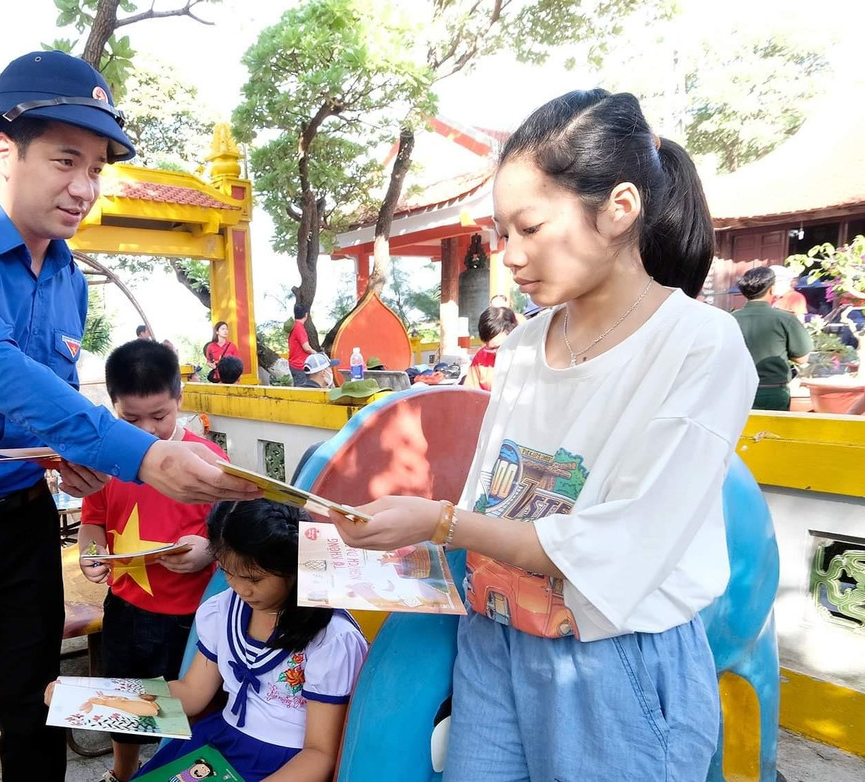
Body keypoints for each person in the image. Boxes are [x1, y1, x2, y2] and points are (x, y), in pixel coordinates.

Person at [330, 90, 756, 781]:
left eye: (529, 228)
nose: (510, 256)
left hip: (614, 662)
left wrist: (440, 522)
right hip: (495, 641)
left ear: (620, 208)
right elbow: (495, 502)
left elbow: (619, 547)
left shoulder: (700, 348)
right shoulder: (526, 344)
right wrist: (416, 535)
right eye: (501, 234)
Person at [0, 50, 257, 782]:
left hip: (18, 522)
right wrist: (140, 454)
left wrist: (74, 456)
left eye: (97, 168)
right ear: (4, 152)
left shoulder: (68, 273)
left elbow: (50, 390)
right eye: (66, 161)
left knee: (39, 704)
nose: (84, 188)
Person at [75, 340, 225, 782]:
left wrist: (208, 550)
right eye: (130, 419)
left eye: (160, 416)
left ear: (180, 398)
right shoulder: (107, 463)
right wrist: (90, 555)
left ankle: (180, 772)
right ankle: (123, 773)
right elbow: (92, 524)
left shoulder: (208, 462)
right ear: (113, 406)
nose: (148, 430)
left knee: (187, 709)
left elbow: (230, 535)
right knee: (127, 703)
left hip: (192, 617)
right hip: (125, 609)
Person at [135, 499, 367, 782]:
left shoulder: (331, 639)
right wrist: (118, 699)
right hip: (219, 742)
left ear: (294, 569)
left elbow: (320, 753)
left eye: (253, 579)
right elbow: (193, 693)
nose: (238, 587)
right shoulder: (223, 610)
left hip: (287, 765)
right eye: (227, 572)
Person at [732, 266, 812, 411]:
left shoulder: (729, 319)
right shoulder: (785, 319)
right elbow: (802, 358)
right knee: (771, 433)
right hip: (773, 392)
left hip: (736, 391)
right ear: (771, 289)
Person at [463, 306, 519, 391]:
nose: (494, 352)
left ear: (514, 334)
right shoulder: (481, 356)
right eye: (489, 348)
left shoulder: (529, 356)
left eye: (498, 347)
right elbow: (470, 393)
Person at [287, 303, 311, 386]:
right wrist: (315, 353)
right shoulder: (299, 327)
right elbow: (306, 348)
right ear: (306, 314)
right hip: (299, 365)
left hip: (294, 364)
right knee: (302, 390)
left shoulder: (294, 326)